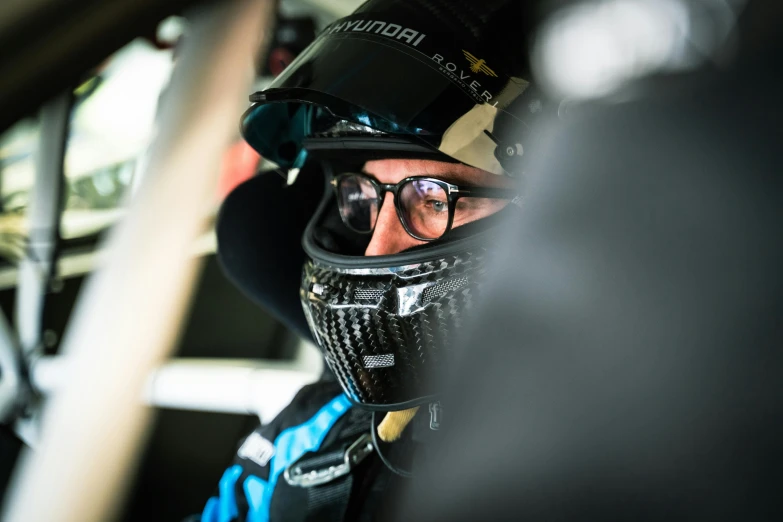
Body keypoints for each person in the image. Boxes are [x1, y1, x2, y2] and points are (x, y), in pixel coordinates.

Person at [198, 1, 549, 520]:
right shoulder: (314, 429)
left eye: (433, 199)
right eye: (363, 195)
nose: (376, 247)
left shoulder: (628, 463)